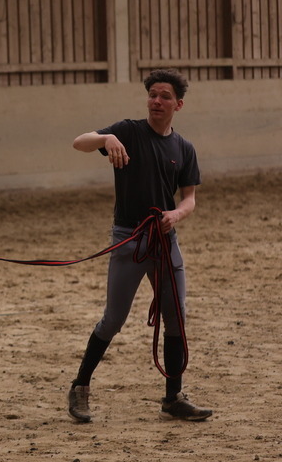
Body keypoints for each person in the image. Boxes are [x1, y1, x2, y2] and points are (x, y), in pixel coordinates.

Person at [67, 68, 212, 423]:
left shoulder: (184, 148)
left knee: (176, 317)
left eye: (164, 96)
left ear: (178, 105)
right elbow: (79, 142)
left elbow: (189, 199)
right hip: (129, 239)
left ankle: (173, 396)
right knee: (113, 319)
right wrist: (106, 140)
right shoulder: (128, 131)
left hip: (164, 241)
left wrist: (176, 215)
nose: (156, 101)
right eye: (152, 95)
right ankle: (80, 387)